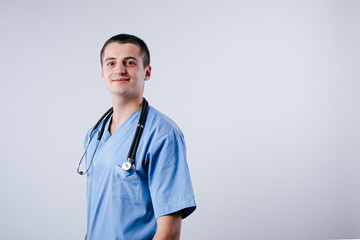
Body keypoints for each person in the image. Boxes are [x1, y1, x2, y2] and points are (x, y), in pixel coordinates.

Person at [82, 34, 196, 240]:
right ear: (102, 73)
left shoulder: (162, 135)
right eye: (111, 63)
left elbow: (168, 234)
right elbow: (98, 218)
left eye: (130, 62)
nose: (119, 69)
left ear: (147, 72)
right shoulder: (94, 135)